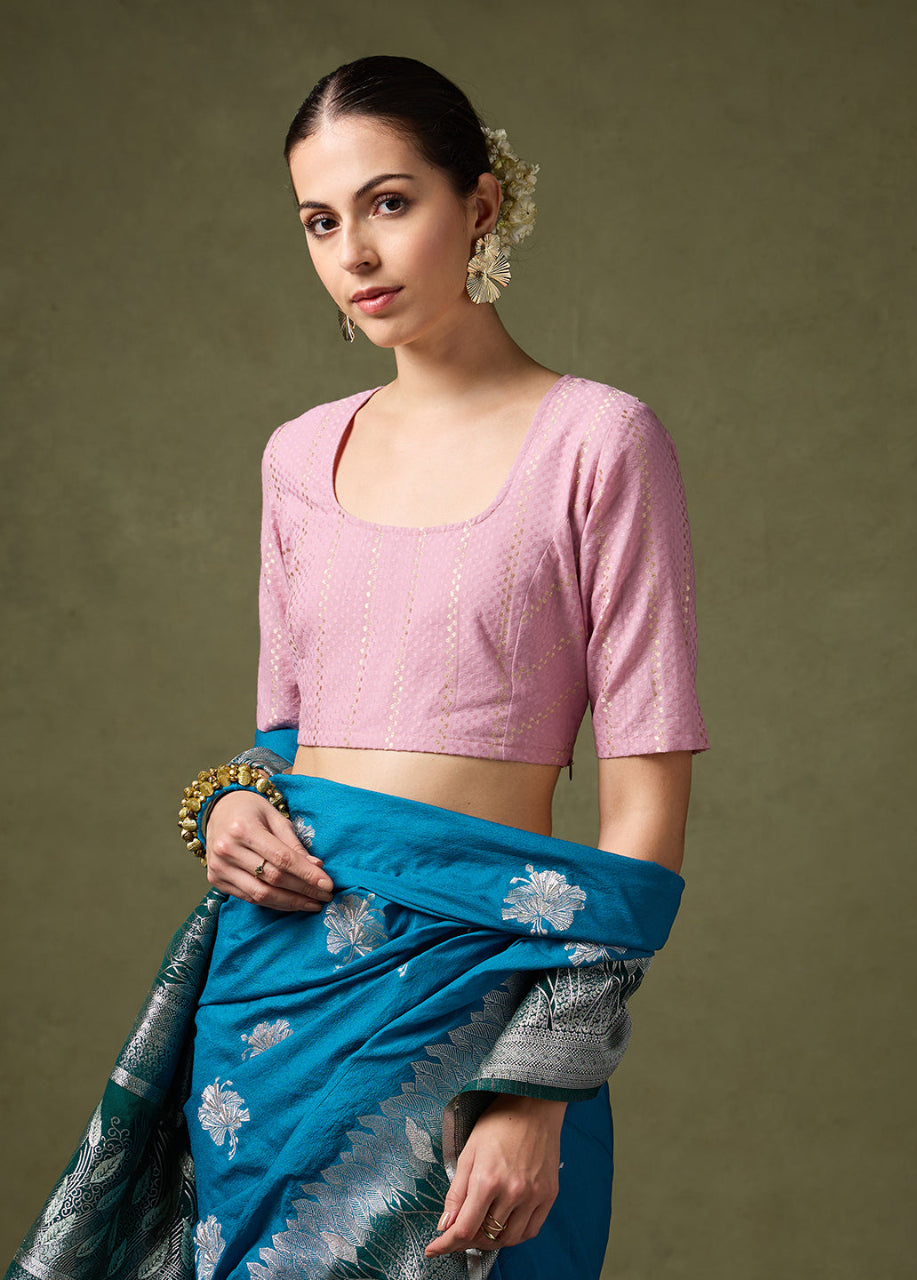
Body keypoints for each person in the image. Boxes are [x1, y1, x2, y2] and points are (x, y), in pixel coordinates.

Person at [5, 55, 710, 1280]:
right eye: (320, 221)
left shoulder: (598, 439)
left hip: (476, 985)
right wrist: (229, 803)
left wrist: (539, 1080)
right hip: (269, 996)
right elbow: (286, 737)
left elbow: (645, 807)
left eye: (390, 203)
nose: (356, 253)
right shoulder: (296, 455)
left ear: (480, 205)